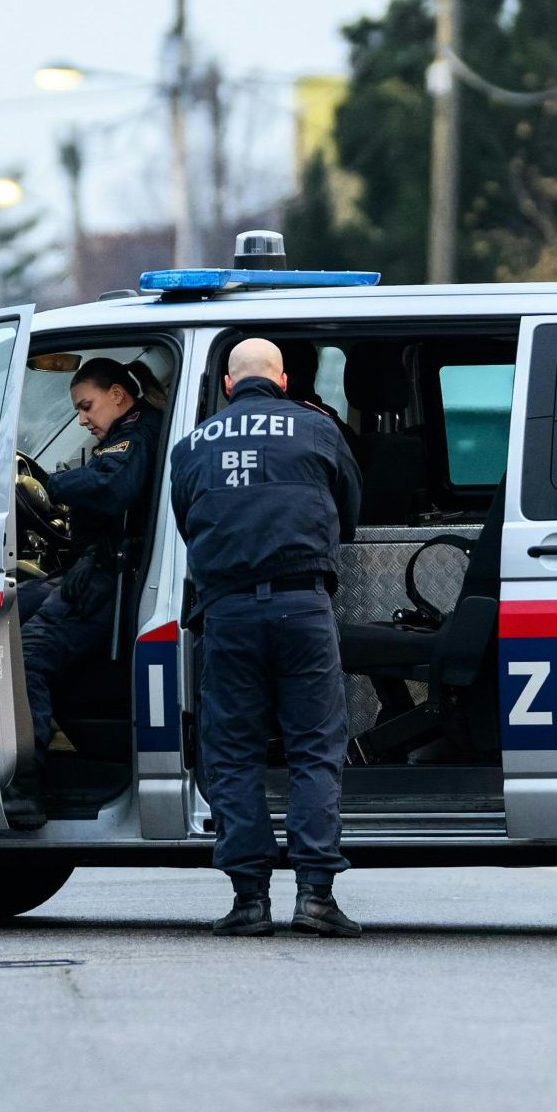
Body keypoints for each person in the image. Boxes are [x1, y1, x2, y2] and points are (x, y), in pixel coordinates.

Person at [168, 334, 364, 936]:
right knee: (312, 750)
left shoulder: (191, 446)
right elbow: (349, 516)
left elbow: (186, 523)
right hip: (302, 607)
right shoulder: (319, 429)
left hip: (227, 616)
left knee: (231, 754)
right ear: (281, 381)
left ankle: (250, 899)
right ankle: (315, 897)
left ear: (228, 385)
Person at [16, 360, 164, 783]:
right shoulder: (132, 430)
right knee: (12, 608)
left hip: (114, 580)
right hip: (101, 571)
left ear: (117, 395)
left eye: (87, 406)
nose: (83, 419)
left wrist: (50, 486)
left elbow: (112, 487)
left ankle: (25, 780)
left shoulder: (136, 434)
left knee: (24, 654)